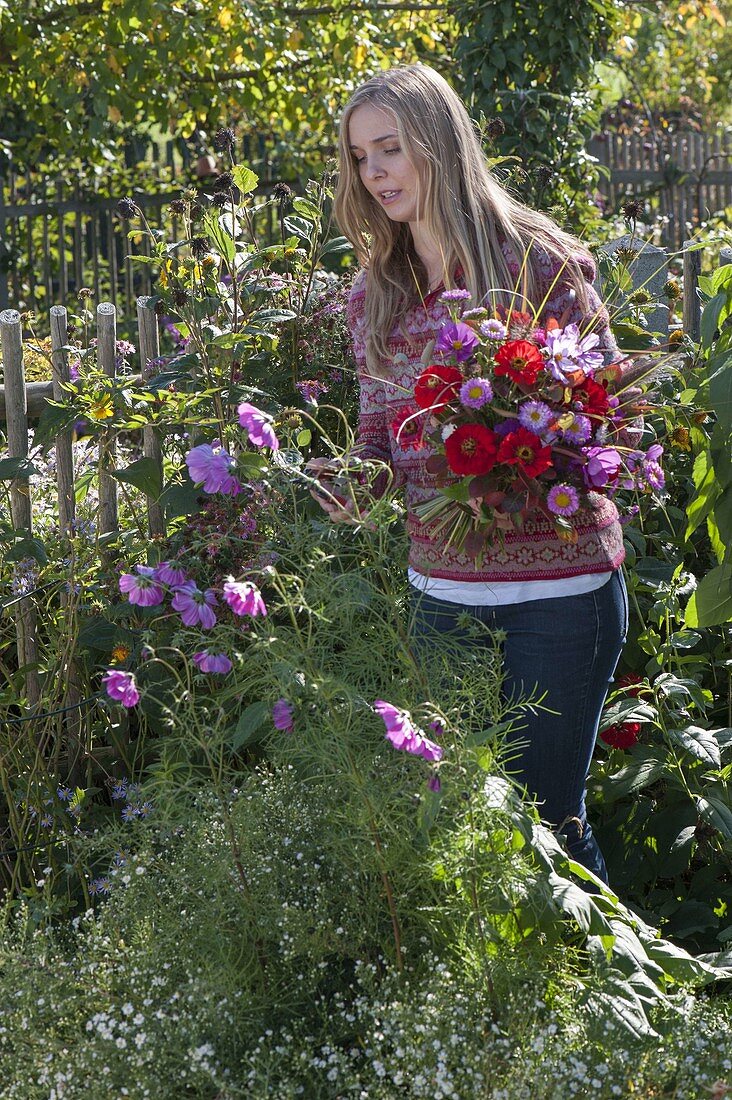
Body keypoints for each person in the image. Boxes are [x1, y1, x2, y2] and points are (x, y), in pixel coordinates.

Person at [310, 63, 629, 884]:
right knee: (466, 832)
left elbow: (609, 413)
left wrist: (521, 457)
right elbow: (380, 440)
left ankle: (633, 1005)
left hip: (560, 598)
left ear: (439, 144)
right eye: (359, 158)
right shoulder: (376, 294)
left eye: (390, 148)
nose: (375, 173)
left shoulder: (537, 261)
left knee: (549, 828)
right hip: (442, 601)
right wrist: (351, 486)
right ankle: (510, 1009)